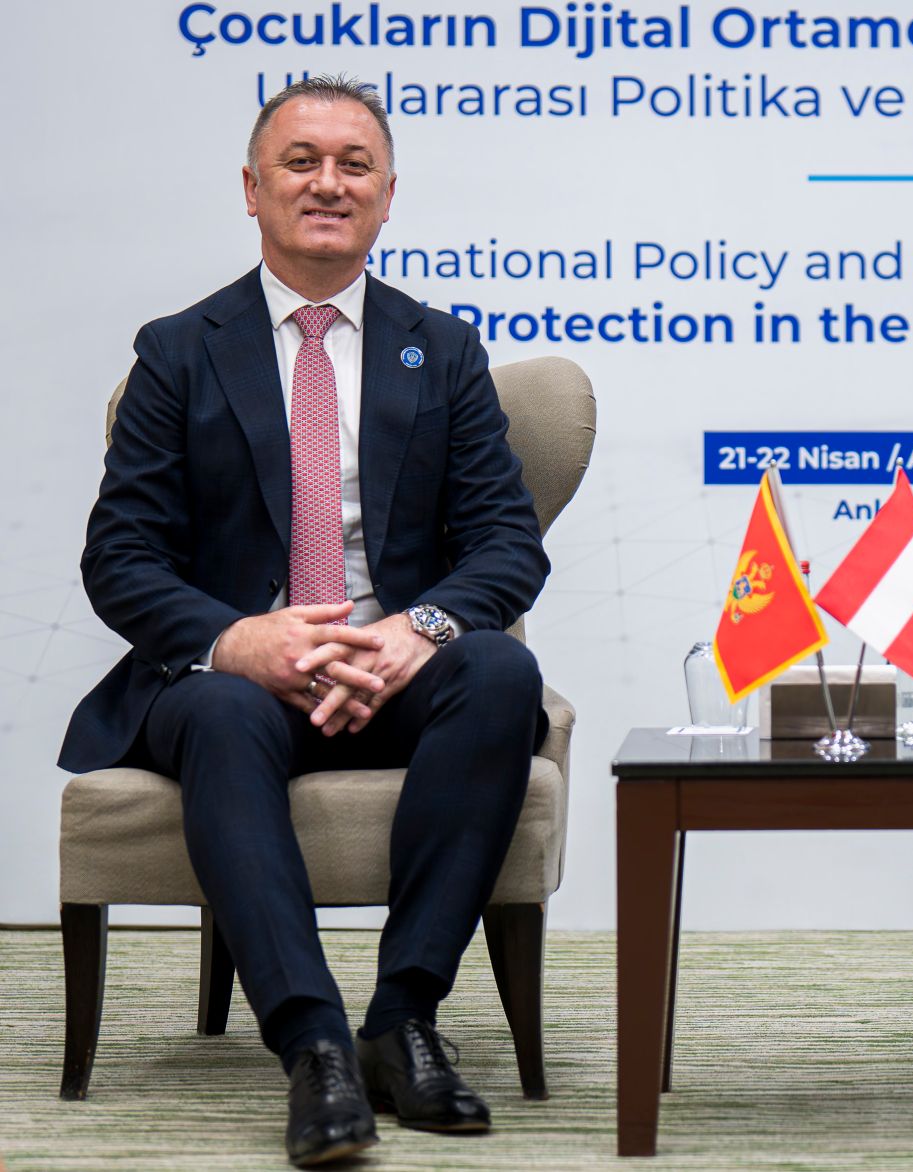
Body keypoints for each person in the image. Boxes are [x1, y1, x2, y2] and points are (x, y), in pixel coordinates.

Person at [58, 76, 551, 1167]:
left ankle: (403, 1020)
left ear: (387, 196)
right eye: (301, 161)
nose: (329, 183)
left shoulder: (443, 349)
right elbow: (120, 558)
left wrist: (417, 629)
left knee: (500, 676)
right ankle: (314, 1045)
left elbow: (508, 545)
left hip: (394, 665)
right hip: (240, 683)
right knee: (222, 710)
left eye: (354, 165)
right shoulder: (180, 350)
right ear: (252, 188)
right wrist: (239, 640)